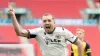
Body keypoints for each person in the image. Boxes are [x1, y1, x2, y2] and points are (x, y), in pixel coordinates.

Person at [8, 5, 83, 56]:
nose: (47, 22)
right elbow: (19, 32)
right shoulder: (38, 32)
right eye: (44, 21)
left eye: (49, 20)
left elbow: (79, 44)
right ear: (42, 23)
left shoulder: (63, 31)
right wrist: (13, 15)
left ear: (54, 22)